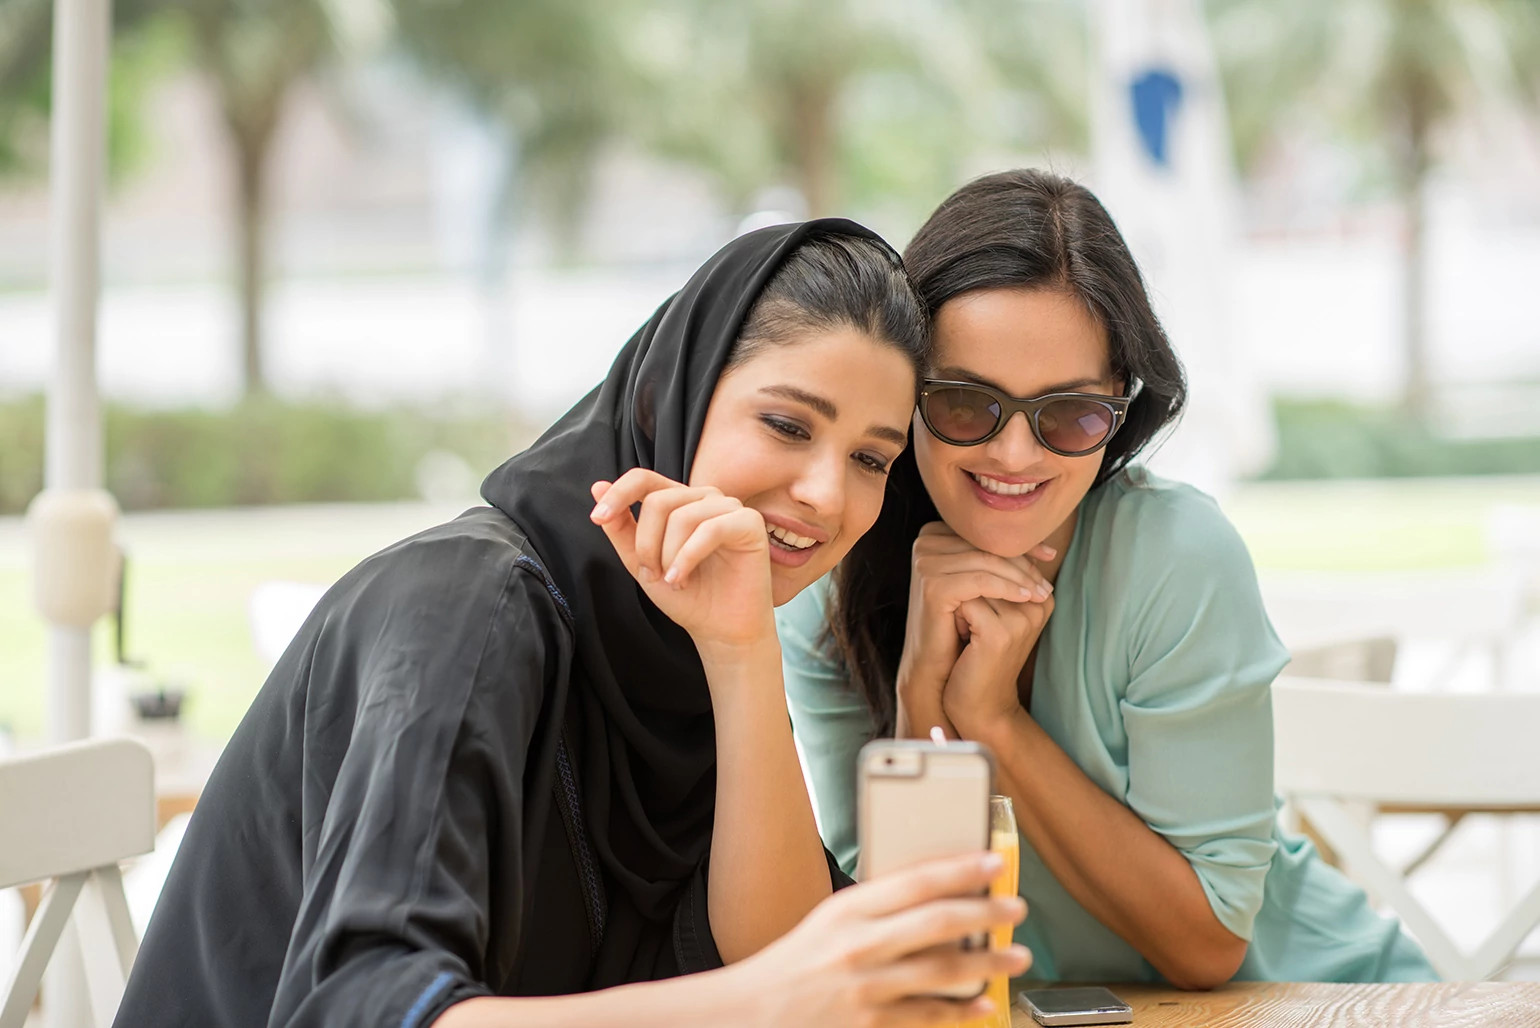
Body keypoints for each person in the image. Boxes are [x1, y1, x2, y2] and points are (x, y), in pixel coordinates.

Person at [114, 219, 1030, 1028]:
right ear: (668, 398)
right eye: (788, 426)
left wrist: (743, 654)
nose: (828, 495)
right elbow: (368, 1005)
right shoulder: (465, 607)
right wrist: (764, 1004)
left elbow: (781, 955)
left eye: (871, 460)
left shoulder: (686, 648)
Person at [779, 172, 1438, 988]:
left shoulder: (1176, 558)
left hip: (1320, 1000)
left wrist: (994, 721)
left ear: (1120, 408)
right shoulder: (830, 590)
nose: (1015, 454)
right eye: (965, 403)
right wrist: (922, 700)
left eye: (1070, 414)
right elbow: (907, 954)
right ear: (906, 390)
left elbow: (1207, 947)